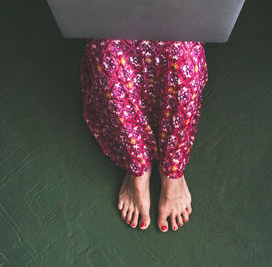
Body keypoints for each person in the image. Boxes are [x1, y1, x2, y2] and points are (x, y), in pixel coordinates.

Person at [80, 38, 208, 232]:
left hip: (178, 17)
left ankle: (173, 173)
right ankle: (138, 167)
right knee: (108, 53)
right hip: (116, 17)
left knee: (184, 55)